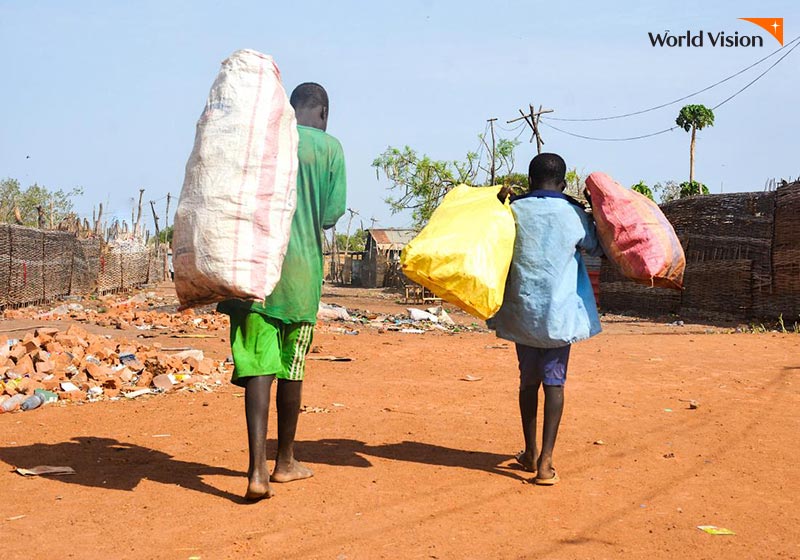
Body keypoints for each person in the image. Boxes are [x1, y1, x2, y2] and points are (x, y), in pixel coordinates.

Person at [218, 82, 346, 501]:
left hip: (252, 273)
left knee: (259, 365)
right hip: (299, 276)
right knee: (292, 366)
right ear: (323, 113)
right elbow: (329, 215)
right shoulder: (329, 149)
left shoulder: (262, 136)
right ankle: (284, 462)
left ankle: (256, 470)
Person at [490, 153, 603, 486]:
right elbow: (596, 247)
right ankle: (546, 462)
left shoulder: (514, 211)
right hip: (559, 315)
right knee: (555, 382)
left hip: (523, 313)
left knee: (528, 381)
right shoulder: (572, 214)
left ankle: (528, 451)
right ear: (563, 183)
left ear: (529, 180)